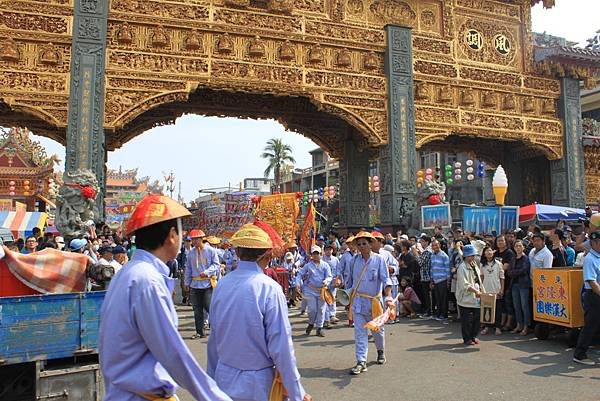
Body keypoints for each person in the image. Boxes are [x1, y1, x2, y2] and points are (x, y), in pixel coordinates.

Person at [99, 194, 231, 401]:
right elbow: (173, 354)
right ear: (171, 235)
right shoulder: (146, 280)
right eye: (181, 233)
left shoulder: (129, 273)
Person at [207, 221, 312, 401]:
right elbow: (281, 347)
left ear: (238, 252)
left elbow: (214, 340)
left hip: (224, 376)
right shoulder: (269, 288)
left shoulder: (222, 285)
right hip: (257, 383)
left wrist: (210, 381)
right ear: (268, 254)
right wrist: (297, 393)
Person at [345, 232, 393, 375]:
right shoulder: (353, 261)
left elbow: (386, 280)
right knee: (360, 333)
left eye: (364, 244)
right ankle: (361, 361)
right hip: (359, 302)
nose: (361, 247)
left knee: (377, 331)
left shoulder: (379, 260)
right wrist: (346, 296)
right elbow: (351, 283)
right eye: (358, 244)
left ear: (371, 244)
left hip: (375, 302)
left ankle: (380, 351)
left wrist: (389, 297)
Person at [185, 229, 220, 339]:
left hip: (207, 284)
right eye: (192, 240)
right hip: (195, 284)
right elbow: (189, 269)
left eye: (195, 239)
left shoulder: (210, 251)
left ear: (201, 239)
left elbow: (216, 265)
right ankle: (200, 331)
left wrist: (207, 272)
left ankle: (218, 330)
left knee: (210, 307)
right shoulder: (191, 253)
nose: (194, 242)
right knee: (197, 309)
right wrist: (186, 282)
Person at [573, 230, 600, 366]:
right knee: (590, 326)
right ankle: (580, 354)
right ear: (594, 243)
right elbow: (591, 281)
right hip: (594, 296)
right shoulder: (590, 259)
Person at [297, 245, 332, 337]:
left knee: (321, 309)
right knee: (312, 309)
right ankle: (311, 323)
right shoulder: (308, 266)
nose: (316, 255)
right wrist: (297, 283)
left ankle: (319, 328)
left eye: (318, 253)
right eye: (314, 254)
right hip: (310, 290)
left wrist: (326, 281)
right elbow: (300, 274)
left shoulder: (325, 265)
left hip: (322, 291)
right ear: (312, 255)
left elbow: (329, 276)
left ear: (321, 254)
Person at [456, 245, 483, 345]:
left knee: (477, 318)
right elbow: (464, 284)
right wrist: (475, 291)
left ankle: (474, 336)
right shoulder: (461, 267)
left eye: (473, 255)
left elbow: (478, 279)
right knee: (466, 320)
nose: (472, 257)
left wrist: (479, 290)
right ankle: (467, 338)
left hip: (476, 297)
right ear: (466, 256)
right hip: (465, 298)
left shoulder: (474, 264)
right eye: (470, 255)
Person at [480, 246, 504, 336]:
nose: (489, 252)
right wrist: (481, 289)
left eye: (490, 250)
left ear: (493, 252)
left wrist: (502, 289)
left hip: (496, 289)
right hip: (486, 289)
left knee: (498, 309)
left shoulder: (498, 264)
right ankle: (486, 327)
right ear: (484, 253)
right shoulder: (482, 264)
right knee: (486, 309)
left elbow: (502, 278)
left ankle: (498, 327)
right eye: (486, 251)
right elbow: (481, 277)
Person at [510, 240, 531, 336]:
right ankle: (519, 324)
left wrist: (514, 272)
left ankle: (526, 326)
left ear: (523, 247)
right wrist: (514, 272)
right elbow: (509, 271)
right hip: (514, 284)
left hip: (524, 285)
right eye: (516, 246)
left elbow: (524, 270)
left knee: (524, 306)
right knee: (516, 306)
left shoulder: (525, 258)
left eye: (519, 246)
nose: (518, 248)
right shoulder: (513, 258)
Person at [430, 239, 450, 321]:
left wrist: (448, 281)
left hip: (443, 280)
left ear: (439, 245)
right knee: (437, 298)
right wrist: (431, 280)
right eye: (433, 245)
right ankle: (438, 314)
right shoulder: (432, 255)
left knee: (443, 299)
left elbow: (447, 269)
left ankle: (444, 315)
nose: (435, 247)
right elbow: (432, 268)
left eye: (436, 245)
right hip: (435, 280)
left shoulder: (444, 256)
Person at [322, 243, 340, 325]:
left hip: (333, 281)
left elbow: (338, 270)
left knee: (332, 298)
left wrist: (338, 279)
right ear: (324, 251)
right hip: (325, 282)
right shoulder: (322, 259)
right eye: (327, 250)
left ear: (332, 250)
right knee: (325, 299)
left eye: (330, 249)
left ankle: (332, 315)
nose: (328, 251)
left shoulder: (335, 259)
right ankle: (326, 317)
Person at [416, 235, 433, 318]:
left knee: (427, 296)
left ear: (427, 242)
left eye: (422, 241)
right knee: (426, 295)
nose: (421, 243)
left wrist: (416, 254)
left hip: (427, 277)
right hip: (424, 276)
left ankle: (429, 312)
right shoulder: (425, 251)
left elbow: (420, 263)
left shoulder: (427, 251)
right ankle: (428, 311)